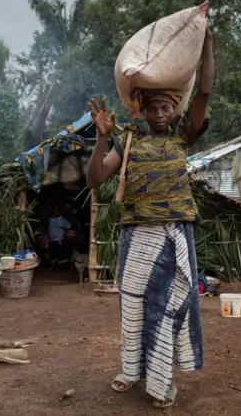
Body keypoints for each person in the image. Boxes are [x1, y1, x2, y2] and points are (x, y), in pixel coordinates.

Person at [86, 27, 213, 408]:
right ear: (140, 110)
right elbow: (95, 179)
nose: (160, 114)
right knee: (135, 303)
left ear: (174, 109)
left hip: (176, 233)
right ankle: (131, 368)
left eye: (166, 107)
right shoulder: (128, 142)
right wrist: (102, 138)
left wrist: (206, 42)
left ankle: (163, 378)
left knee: (172, 302)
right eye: (152, 108)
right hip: (137, 236)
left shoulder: (182, 137)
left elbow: (204, 91)